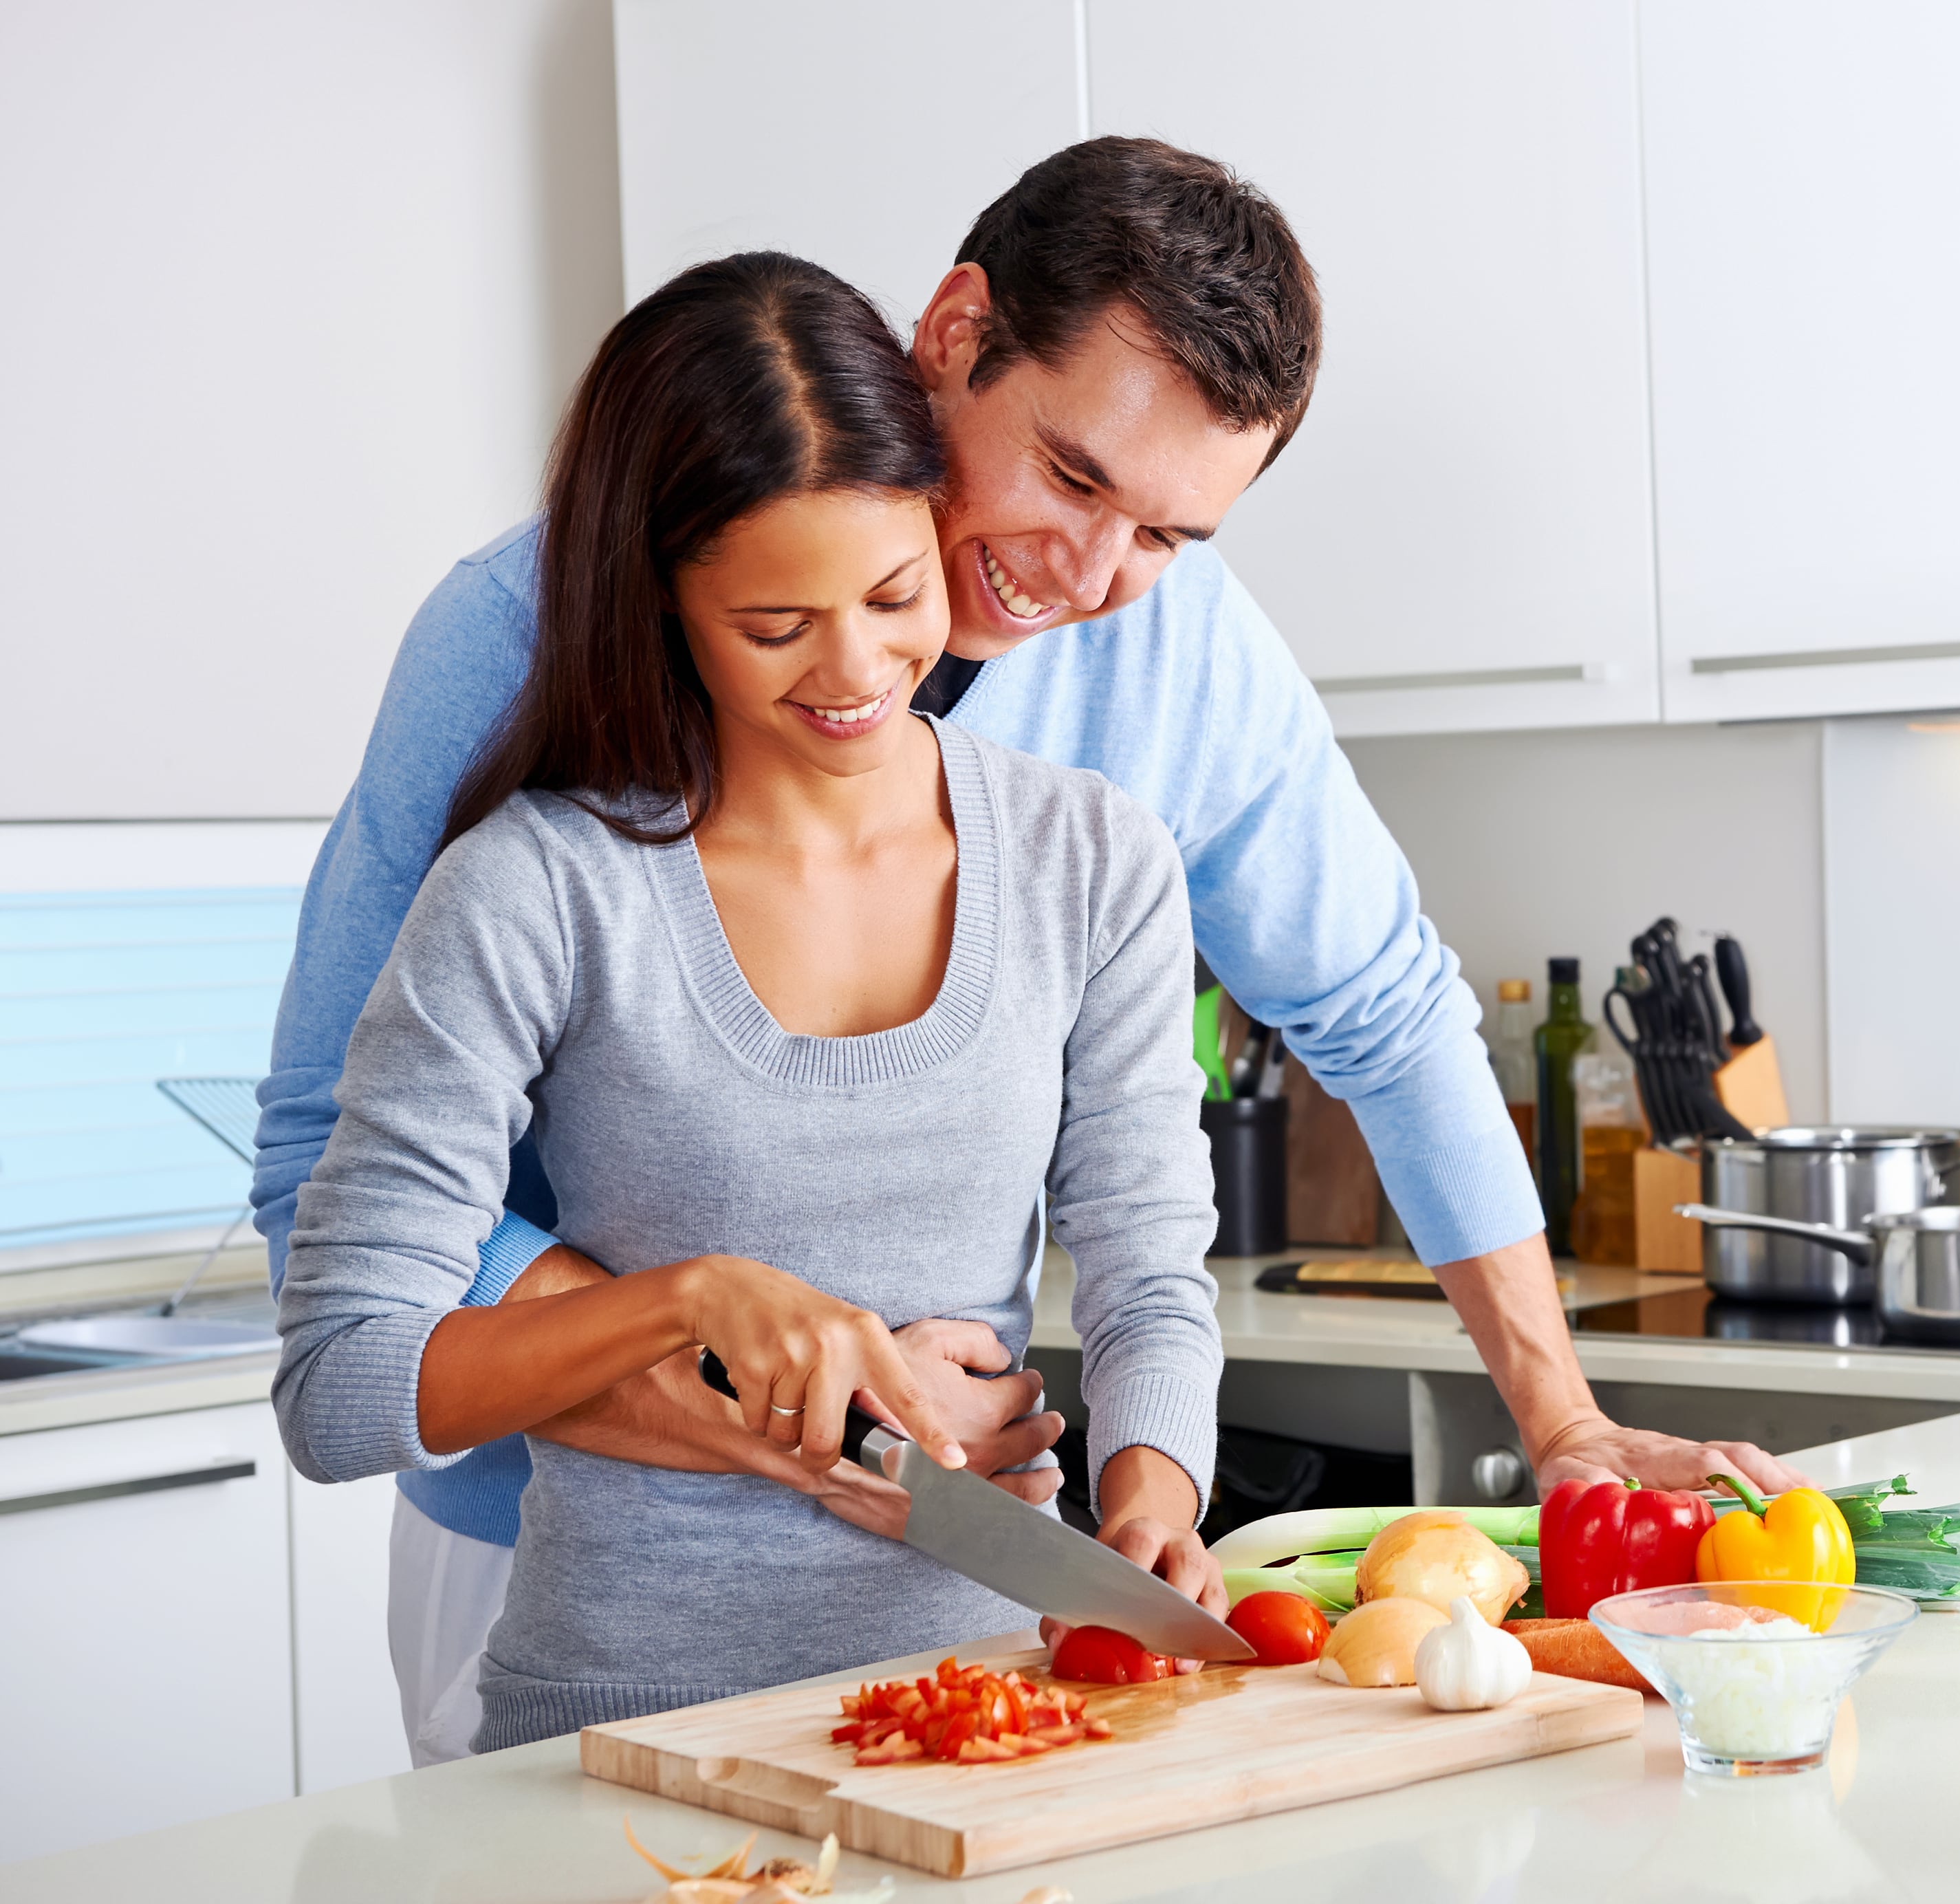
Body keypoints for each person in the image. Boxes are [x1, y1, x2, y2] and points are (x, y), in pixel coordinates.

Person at [254, 136, 1800, 1764]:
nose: (1089, 577)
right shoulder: (532, 639)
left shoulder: (1154, 682)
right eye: (1069, 479)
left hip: (954, 1623)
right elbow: (330, 1207)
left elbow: (1384, 1019)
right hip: (560, 1563)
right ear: (953, 334)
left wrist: (1558, 1421)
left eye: (1165, 534)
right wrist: (757, 1379)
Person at [273, 252, 1224, 1753]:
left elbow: (1148, 1266)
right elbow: (340, 1387)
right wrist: (693, 1298)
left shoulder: (1090, 857)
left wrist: (1152, 1499)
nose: (856, 671)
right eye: (775, 625)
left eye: (896, 594)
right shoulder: (539, 887)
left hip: (985, 1717)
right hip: (622, 1734)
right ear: (663, 604)